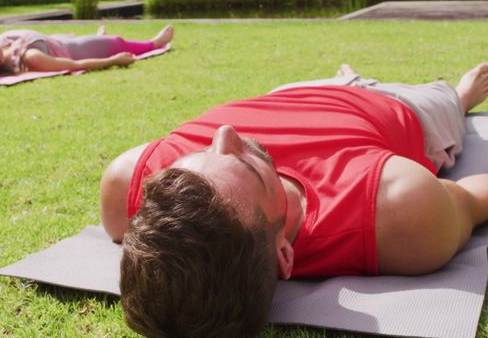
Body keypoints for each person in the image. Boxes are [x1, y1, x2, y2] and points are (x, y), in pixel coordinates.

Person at [99, 62, 488, 337]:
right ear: (283, 253)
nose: (226, 133)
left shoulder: (126, 186)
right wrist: (456, 99)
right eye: (249, 168)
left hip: (291, 90)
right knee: (447, 98)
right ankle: (459, 92)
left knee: (337, 79)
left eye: (201, 153)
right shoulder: (397, 209)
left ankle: (343, 77)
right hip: (399, 104)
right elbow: (473, 196)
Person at [0, 25, 174, 80]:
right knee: (115, 41)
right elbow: (72, 65)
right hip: (78, 49)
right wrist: (112, 60)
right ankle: (152, 44)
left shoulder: (4, 44)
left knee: (100, 38)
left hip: (60, 39)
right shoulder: (30, 58)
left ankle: (99, 35)